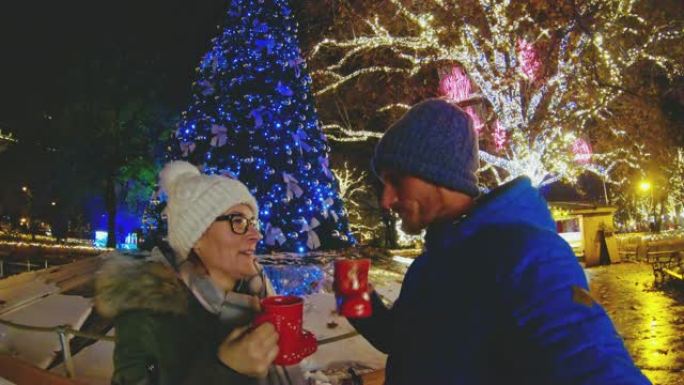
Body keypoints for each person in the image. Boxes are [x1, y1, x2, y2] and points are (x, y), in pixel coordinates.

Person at [346, 98, 650, 385]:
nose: (386, 200)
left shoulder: (527, 254)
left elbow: (596, 368)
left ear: (435, 173)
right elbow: (401, 340)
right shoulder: (430, 264)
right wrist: (351, 292)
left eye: (396, 180)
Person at [95, 161, 304, 385]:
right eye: (239, 221)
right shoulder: (147, 316)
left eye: (254, 222)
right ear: (197, 238)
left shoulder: (256, 294)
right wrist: (226, 370)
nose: (256, 235)